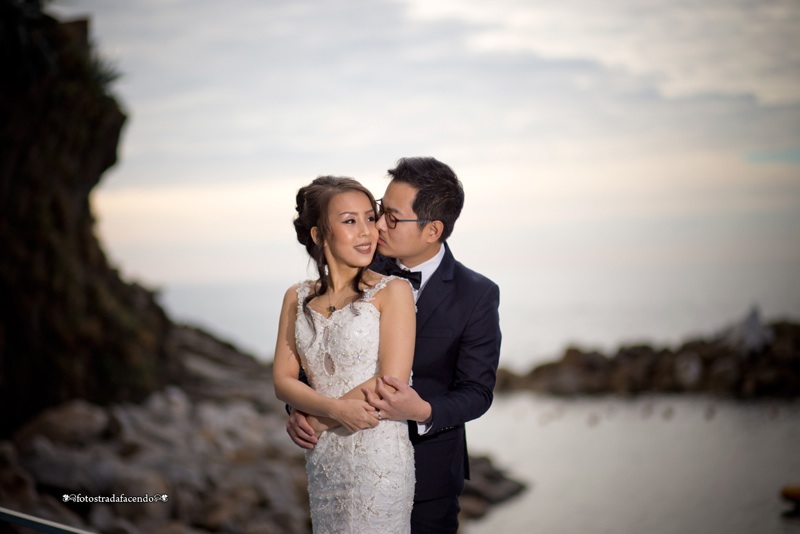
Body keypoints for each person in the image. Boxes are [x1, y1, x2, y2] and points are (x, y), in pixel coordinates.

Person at [287, 158, 502, 533]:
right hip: (343, 459)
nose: (378, 225)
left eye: (392, 217)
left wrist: (423, 409)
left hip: (430, 474)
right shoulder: (357, 265)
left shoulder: (477, 294)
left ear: (432, 229)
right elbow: (318, 352)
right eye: (379, 211)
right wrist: (298, 409)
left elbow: (478, 391)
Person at [272, 176, 417, 533]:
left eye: (370, 218)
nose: (367, 231)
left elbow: (391, 381)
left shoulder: (393, 290)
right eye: (350, 221)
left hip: (378, 456)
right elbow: (282, 380)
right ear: (319, 235)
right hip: (323, 460)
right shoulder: (297, 296)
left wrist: (317, 421)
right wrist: (334, 411)